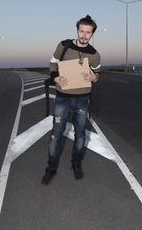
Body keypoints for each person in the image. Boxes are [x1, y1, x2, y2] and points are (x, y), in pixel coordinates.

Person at [42, 15, 101, 184]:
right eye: (81, 31)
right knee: (56, 135)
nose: (84, 35)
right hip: (62, 98)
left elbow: (98, 73)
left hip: (82, 99)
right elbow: (53, 64)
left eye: (88, 32)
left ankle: (76, 163)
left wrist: (93, 77)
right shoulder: (63, 46)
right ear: (77, 30)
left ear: (92, 34)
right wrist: (55, 78)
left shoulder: (95, 55)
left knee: (80, 135)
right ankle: (51, 167)